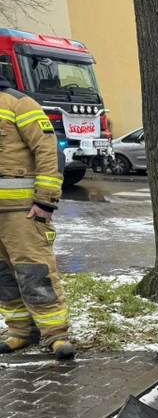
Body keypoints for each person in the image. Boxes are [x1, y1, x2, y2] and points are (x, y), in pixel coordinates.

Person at [0, 74, 74, 358]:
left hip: (22, 212)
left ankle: (56, 335)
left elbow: (49, 152)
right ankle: (19, 331)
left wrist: (45, 201)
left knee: (36, 272)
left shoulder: (19, 104)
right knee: (3, 277)